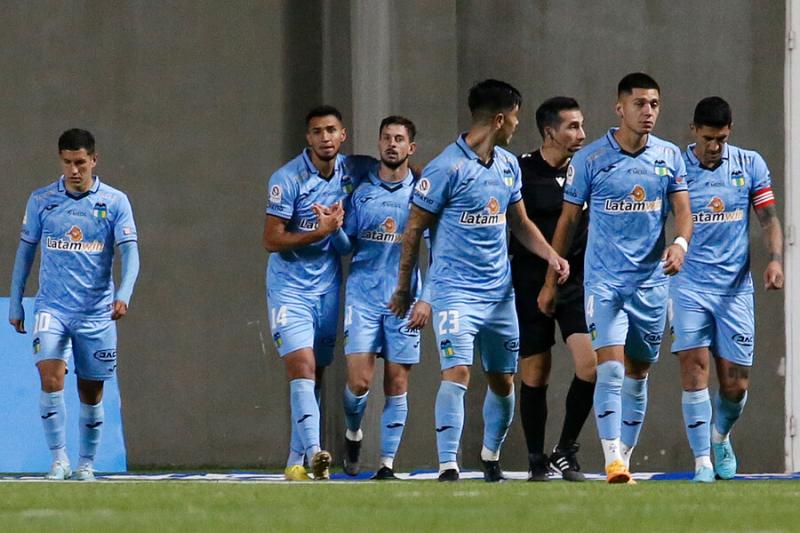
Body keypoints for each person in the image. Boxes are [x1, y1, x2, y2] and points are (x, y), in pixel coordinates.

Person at [389, 79, 569, 482]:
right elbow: (414, 229)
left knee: (503, 381)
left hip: (499, 294)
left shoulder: (507, 165)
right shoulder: (445, 168)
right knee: (457, 372)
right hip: (455, 293)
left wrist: (551, 255)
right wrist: (406, 288)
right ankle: (448, 464)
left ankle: (491, 454)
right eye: (516, 118)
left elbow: (519, 223)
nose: (518, 126)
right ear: (500, 119)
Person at [541, 73, 692, 483]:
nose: (648, 112)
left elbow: (683, 211)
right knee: (609, 368)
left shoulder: (669, 156)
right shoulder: (590, 159)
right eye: (640, 103)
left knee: (638, 373)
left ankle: (625, 452)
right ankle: (613, 462)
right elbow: (568, 221)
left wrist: (679, 244)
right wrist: (552, 280)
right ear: (619, 108)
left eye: (654, 104)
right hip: (604, 282)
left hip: (651, 283)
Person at [8, 129, 140, 481]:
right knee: (50, 377)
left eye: (80, 162)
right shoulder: (41, 200)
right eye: (67, 162)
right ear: (60, 161)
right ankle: (58, 460)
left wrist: (124, 293)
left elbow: (131, 253)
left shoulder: (114, 202)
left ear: (94, 160)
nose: (74, 170)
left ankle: (85, 464)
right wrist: (16, 302)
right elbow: (25, 253)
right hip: (52, 308)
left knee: (91, 390)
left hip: (96, 311)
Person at [671, 96, 783, 483]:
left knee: (735, 385)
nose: (714, 146)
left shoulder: (750, 164)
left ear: (729, 131)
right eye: (707, 138)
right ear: (693, 131)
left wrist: (775, 260)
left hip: (734, 291)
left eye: (720, 138)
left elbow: (768, 218)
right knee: (694, 367)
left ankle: (719, 437)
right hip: (688, 287)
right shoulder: (677, 167)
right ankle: (702, 461)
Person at [263, 105, 370, 481]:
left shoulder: (353, 170)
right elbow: (271, 239)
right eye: (317, 132)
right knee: (302, 366)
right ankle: (315, 453)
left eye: (331, 130)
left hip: (327, 288)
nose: (325, 138)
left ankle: (296, 461)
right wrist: (318, 232)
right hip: (289, 287)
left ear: (343, 135)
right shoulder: (287, 178)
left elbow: (401, 170)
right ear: (308, 138)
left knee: (317, 373)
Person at [338, 116, 431, 480]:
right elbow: (346, 245)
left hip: (403, 300)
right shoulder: (362, 193)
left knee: (397, 383)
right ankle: (353, 433)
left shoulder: (422, 196)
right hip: (362, 297)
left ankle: (386, 465)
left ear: (411, 147)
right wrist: (332, 229)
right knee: (360, 382)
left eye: (399, 139)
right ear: (378, 144)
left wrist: (425, 299)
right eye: (387, 138)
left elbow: (438, 251)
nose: (392, 144)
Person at [511, 97, 595, 482]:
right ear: (549, 132)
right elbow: (515, 225)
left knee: (590, 365)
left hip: (575, 282)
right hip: (530, 280)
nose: (581, 134)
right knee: (536, 371)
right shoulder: (522, 170)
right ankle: (535, 458)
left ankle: (565, 449)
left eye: (581, 125)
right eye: (572, 127)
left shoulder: (587, 169)